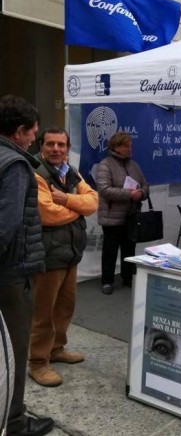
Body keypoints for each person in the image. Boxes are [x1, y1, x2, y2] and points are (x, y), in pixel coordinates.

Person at [0, 95, 54, 435]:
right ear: (19, 131)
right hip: (10, 275)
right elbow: (6, 226)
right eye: (33, 132)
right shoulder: (15, 166)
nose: (35, 138)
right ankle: (15, 422)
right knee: (15, 351)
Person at [28, 128, 98, 387]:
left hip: (69, 254)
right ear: (41, 146)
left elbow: (92, 201)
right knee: (43, 312)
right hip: (47, 255)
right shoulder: (35, 173)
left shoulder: (71, 172)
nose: (56, 149)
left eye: (61, 144)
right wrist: (77, 209)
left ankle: (56, 349)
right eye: (50, 144)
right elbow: (47, 214)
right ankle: (37, 362)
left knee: (65, 307)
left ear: (67, 148)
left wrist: (67, 200)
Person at [96, 131, 149, 294]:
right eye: (127, 145)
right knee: (110, 251)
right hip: (112, 217)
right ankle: (107, 281)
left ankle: (128, 278)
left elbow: (145, 185)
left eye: (130, 145)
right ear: (116, 147)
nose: (130, 148)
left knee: (129, 250)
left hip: (131, 217)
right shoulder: (105, 165)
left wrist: (141, 193)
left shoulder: (134, 165)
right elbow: (104, 190)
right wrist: (129, 194)